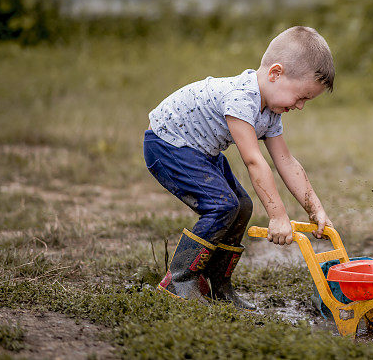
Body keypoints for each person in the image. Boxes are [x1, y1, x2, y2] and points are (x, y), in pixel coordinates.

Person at [143, 26, 335, 309]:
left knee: (241, 206)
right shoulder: (241, 97)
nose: (301, 106)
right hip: (168, 144)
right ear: (275, 74)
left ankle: (218, 284)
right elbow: (254, 161)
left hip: (199, 150)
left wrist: (316, 209)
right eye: (301, 97)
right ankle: (178, 280)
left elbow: (286, 162)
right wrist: (277, 216)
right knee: (223, 206)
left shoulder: (270, 112)